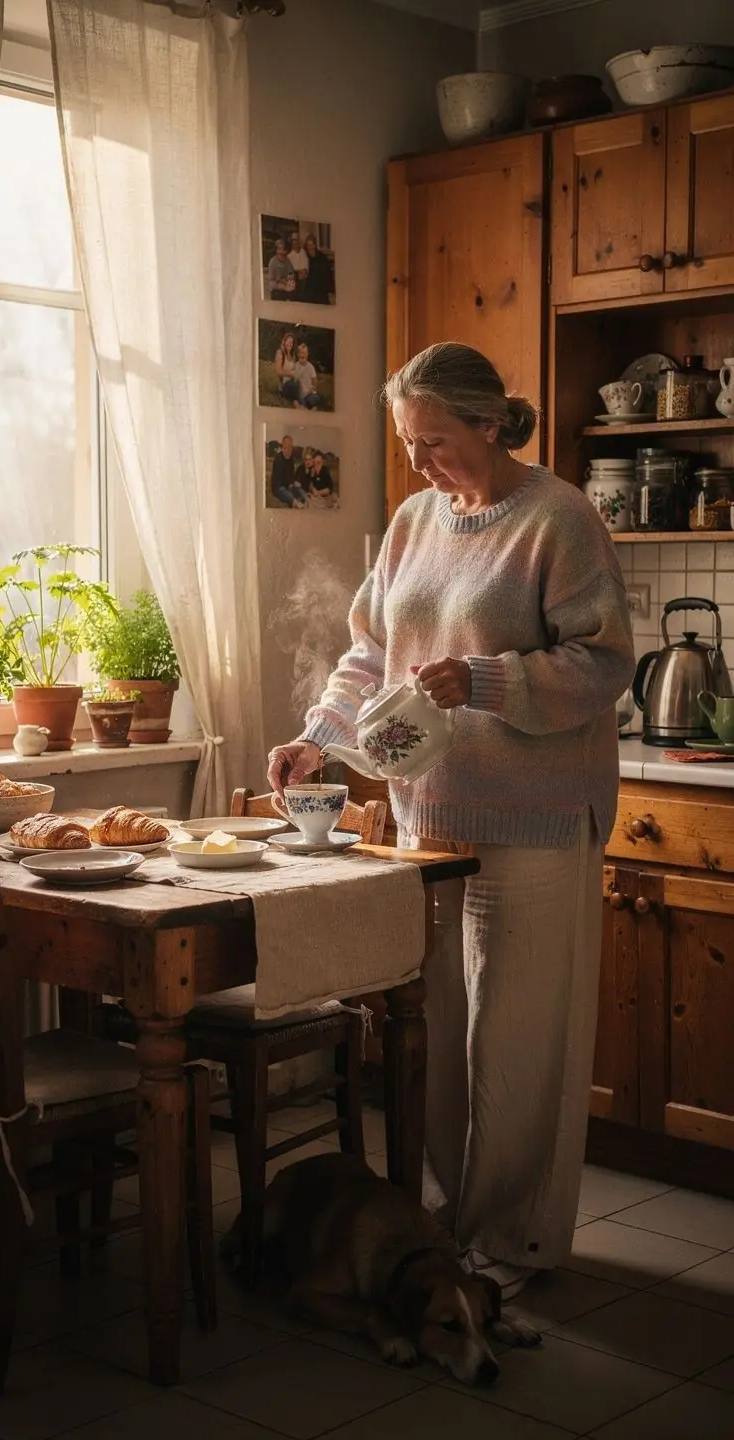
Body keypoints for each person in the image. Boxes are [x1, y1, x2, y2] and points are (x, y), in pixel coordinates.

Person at [267, 342, 634, 1300]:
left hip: (534, 822)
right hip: (425, 822)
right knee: (435, 1036)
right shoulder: (411, 522)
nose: (420, 462)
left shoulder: (559, 517)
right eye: (408, 444)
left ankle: (510, 1240)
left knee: (516, 1044)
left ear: (489, 423)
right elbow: (370, 654)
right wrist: (317, 737)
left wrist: (487, 680)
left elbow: (603, 663)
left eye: (434, 442)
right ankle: (441, 1223)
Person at [270, 434, 307, 508]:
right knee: (286, 493)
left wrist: (293, 482)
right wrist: (290, 484)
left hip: (288, 486)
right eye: (289, 446)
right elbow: (277, 481)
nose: (290, 449)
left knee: (300, 491)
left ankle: (304, 500)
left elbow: (291, 474)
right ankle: (295, 503)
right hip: (279, 487)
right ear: (284, 446)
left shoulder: (291, 459)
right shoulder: (278, 459)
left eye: (291, 446)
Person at [302, 233, 334, 305]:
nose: (310, 247)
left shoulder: (322, 257)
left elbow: (327, 274)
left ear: (315, 245)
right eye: (308, 245)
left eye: (312, 245)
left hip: (321, 288)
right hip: (309, 289)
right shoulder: (304, 257)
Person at [293, 341, 322, 411]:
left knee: (315, 398)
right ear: (298, 354)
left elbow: (314, 382)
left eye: (305, 353)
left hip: (309, 393)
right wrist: (301, 369)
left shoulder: (310, 367)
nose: (303, 355)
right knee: (296, 400)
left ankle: (307, 406)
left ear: (307, 354)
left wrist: (312, 389)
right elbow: (294, 380)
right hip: (299, 394)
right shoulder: (295, 366)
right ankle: (302, 406)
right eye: (301, 353)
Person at [274, 332, 299, 405]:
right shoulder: (280, 353)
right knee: (293, 385)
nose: (290, 344)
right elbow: (278, 371)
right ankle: (296, 403)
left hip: (292, 382)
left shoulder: (293, 356)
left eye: (292, 342)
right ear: (284, 342)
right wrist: (290, 374)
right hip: (284, 385)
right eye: (288, 341)